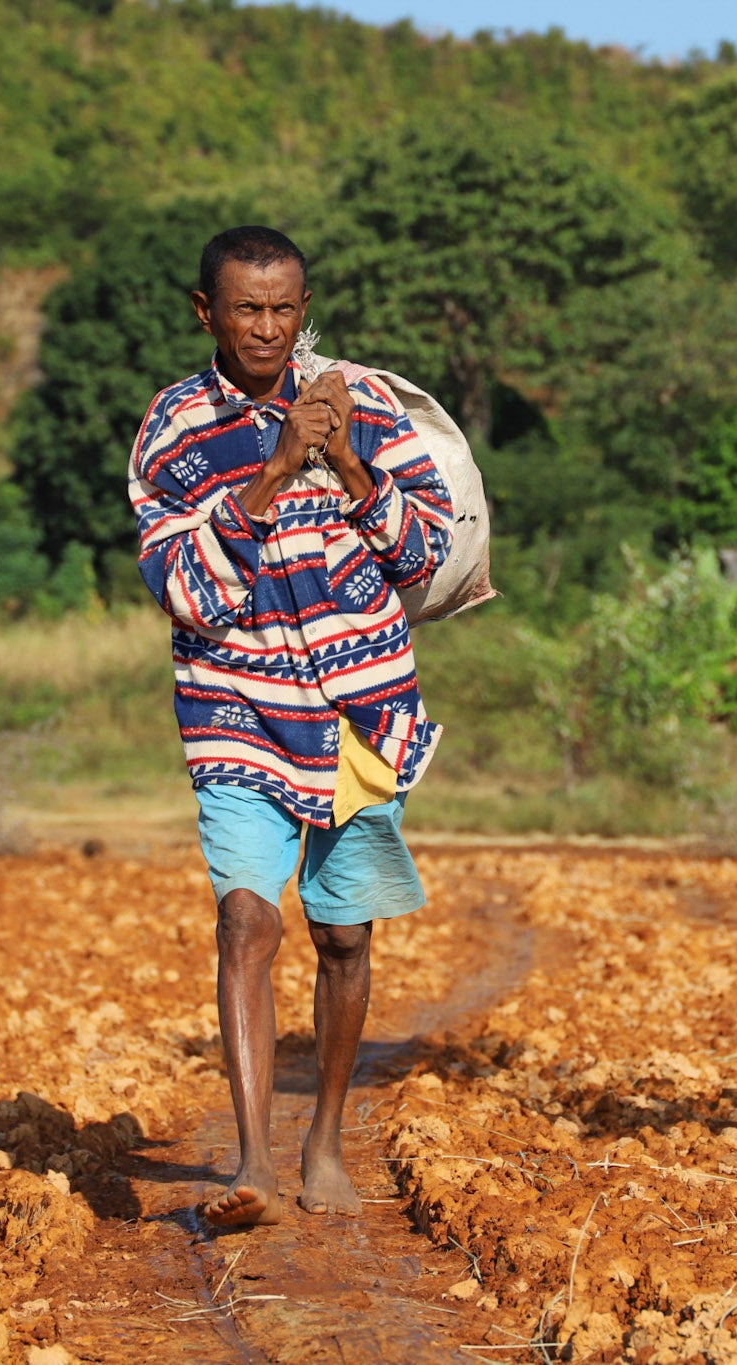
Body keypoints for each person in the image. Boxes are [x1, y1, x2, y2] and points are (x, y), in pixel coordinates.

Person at [127, 226, 452, 1226]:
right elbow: (185, 591)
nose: (266, 329)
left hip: (357, 709)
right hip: (235, 704)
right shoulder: (174, 429)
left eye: (283, 309)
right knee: (243, 918)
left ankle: (323, 1145)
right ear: (205, 314)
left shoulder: (362, 402)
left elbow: (423, 557)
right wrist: (270, 475)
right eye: (245, 310)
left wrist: (350, 462)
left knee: (342, 935)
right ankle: (253, 1165)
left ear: (301, 308)